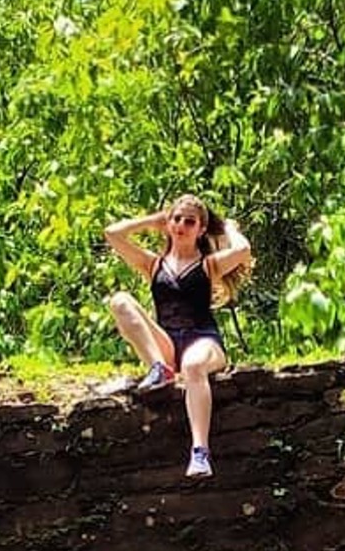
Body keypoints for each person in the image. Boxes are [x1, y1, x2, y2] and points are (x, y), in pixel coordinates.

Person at [103, 195, 252, 478]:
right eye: (176, 219)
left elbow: (243, 250)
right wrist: (153, 221)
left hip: (203, 340)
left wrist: (229, 228)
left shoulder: (209, 265)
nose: (181, 225)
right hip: (168, 344)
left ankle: (200, 452)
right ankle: (159, 368)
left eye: (189, 221)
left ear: (201, 229)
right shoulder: (154, 264)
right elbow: (112, 233)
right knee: (120, 301)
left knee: (194, 367)